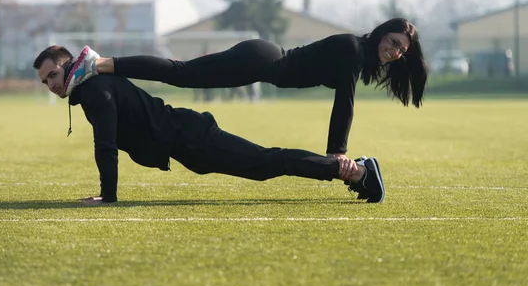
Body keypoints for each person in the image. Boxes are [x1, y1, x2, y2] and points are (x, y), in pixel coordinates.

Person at [33, 45, 386, 205]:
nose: (50, 84)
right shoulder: (93, 87)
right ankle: (353, 171)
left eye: (53, 74)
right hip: (189, 143)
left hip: (192, 138)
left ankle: (356, 172)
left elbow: (105, 146)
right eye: (45, 81)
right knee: (265, 162)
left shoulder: (95, 90)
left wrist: (107, 197)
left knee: (267, 162)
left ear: (69, 67)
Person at [63, 18, 428, 167]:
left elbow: (345, 97)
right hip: (262, 61)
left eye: (400, 51)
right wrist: (337, 152)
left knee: (182, 73)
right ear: (382, 32)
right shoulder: (352, 49)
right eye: (393, 42)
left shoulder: (360, 54)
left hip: (262, 63)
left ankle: (100, 63)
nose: (394, 51)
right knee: (182, 73)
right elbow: (344, 102)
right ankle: (99, 62)